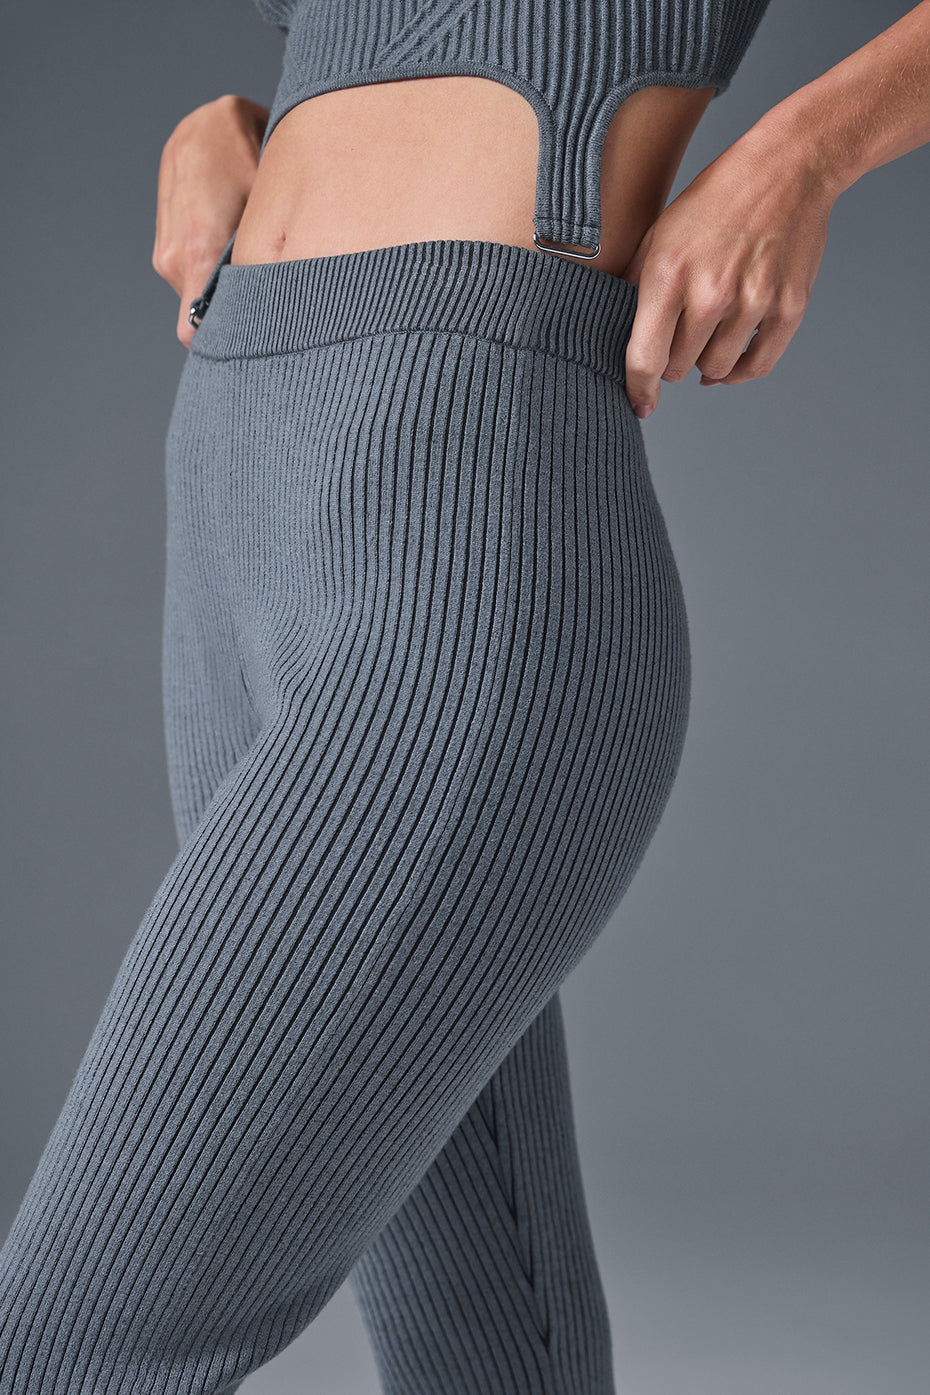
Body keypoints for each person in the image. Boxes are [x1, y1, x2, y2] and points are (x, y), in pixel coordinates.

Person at [1, 3, 928, 1394]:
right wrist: (232, 123)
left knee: (71, 1344)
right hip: (234, 488)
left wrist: (803, 152)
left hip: (467, 518)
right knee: (487, 1346)